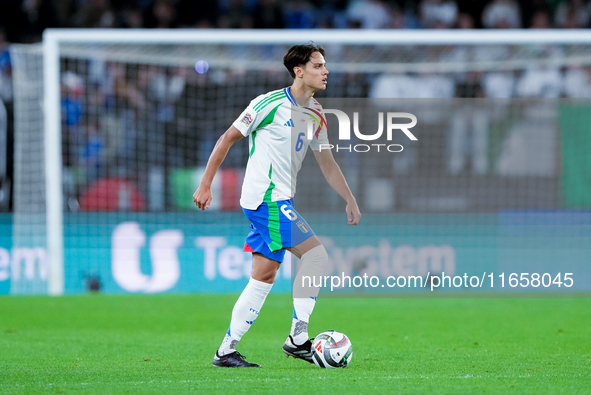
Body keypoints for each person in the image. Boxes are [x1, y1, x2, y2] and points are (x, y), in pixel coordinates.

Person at [193, 43, 361, 368]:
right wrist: (205, 183)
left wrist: (349, 197)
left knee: (263, 277)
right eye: (318, 65)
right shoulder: (268, 103)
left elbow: (326, 162)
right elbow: (227, 138)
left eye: (325, 65)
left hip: (280, 198)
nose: (325, 71)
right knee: (315, 255)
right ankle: (298, 339)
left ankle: (226, 351)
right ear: (299, 71)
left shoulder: (316, 113)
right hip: (265, 198)